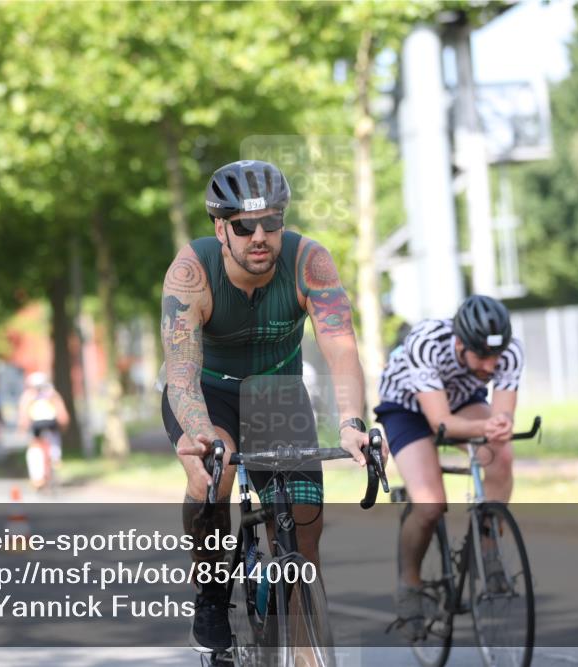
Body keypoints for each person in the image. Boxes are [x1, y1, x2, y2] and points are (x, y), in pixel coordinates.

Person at [160, 159, 386, 652]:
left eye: (272, 222)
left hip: (276, 395)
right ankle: (211, 591)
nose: (260, 236)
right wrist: (198, 435)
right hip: (208, 392)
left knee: (305, 537)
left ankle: (305, 653)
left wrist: (352, 424)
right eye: (245, 225)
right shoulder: (191, 271)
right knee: (214, 473)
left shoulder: (310, 262)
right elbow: (180, 371)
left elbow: (341, 346)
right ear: (221, 229)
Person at [374, 295, 524, 641]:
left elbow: (501, 415)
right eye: (481, 356)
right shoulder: (427, 342)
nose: (490, 366)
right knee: (429, 505)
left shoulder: (510, 351)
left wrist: (500, 425)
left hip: (462, 401)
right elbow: (440, 422)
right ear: (459, 343)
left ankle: (488, 549)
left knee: (501, 454)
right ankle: (409, 584)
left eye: (495, 357)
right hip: (407, 408)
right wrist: (488, 428)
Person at [17, 371, 69, 465]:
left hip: (36, 423)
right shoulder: (52, 393)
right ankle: (55, 458)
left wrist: (22, 427)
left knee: (35, 443)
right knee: (54, 439)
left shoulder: (28, 395)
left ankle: (36, 467)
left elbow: (23, 411)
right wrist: (64, 424)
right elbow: (61, 410)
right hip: (51, 422)